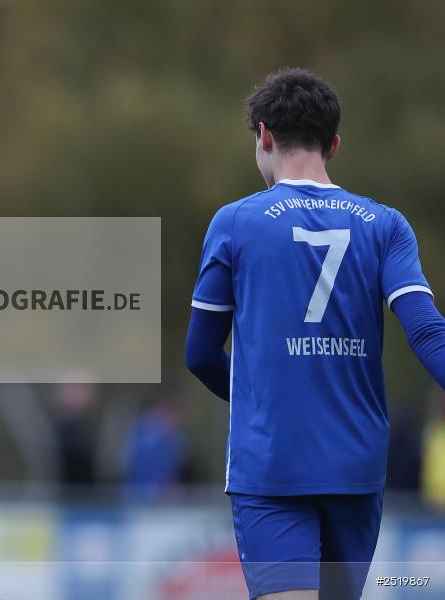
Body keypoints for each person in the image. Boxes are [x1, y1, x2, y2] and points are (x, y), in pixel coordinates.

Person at [185, 67, 445, 600]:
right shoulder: (385, 225)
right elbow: (426, 331)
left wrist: (263, 396)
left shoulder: (235, 223)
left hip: (272, 464)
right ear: (334, 145)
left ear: (264, 136)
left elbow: (200, 354)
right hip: (356, 464)